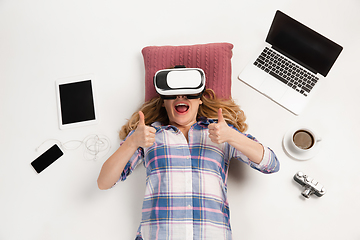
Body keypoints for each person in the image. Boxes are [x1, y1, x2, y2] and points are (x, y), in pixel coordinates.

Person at [97, 68, 280, 240]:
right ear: (164, 101)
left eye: (188, 93)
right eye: (173, 94)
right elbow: (104, 182)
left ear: (200, 99)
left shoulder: (220, 131)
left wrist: (232, 136)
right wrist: (132, 142)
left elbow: (271, 164)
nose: (180, 97)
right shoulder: (148, 134)